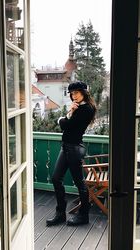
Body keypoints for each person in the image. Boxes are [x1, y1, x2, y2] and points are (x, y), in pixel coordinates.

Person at [46, 81, 96, 226]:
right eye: (72, 93)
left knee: (80, 183)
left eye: (77, 93)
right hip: (66, 147)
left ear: (84, 93)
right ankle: (60, 213)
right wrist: (70, 113)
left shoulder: (87, 109)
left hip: (74, 149)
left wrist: (65, 117)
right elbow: (66, 123)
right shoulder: (77, 107)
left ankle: (83, 215)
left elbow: (65, 125)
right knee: (56, 178)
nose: (74, 96)